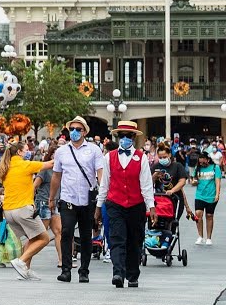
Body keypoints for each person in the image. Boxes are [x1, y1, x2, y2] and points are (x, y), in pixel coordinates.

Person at [96, 121, 155, 288]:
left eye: (128, 136)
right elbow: (104, 184)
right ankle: (118, 273)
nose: (124, 138)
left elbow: (146, 185)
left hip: (136, 205)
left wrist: (152, 207)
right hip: (115, 204)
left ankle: (133, 274)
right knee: (117, 239)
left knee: (134, 241)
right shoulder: (109, 157)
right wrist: (99, 206)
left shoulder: (141, 158)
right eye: (121, 135)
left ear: (134, 138)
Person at [50, 116, 104, 283]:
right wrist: (51, 197)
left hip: (87, 199)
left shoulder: (94, 150)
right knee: (66, 232)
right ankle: (66, 269)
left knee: (86, 235)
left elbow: (100, 173)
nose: (74, 132)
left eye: (78, 129)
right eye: (71, 129)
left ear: (84, 132)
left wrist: (102, 194)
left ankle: (84, 271)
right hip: (68, 198)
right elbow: (56, 176)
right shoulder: (61, 152)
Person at [0, 139, 49, 280]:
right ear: (19, 152)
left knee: (33, 239)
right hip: (24, 209)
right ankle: (20, 261)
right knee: (44, 238)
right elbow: (49, 164)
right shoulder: (25, 165)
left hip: (9, 211)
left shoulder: (5, 167)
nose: (28, 152)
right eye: (26, 150)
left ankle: (25, 270)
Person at [33, 147, 61, 267]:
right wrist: (31, 203)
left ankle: (62, 260)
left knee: (59, 231)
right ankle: (25, 256)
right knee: (42, 234)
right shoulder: (45, 170)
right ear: (51, 156)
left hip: (56, 204)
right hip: (44, 203)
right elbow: (34, 186)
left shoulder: (63, 170)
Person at [191, 150, 219, 245]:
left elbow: (217, 182)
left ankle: (209, 238)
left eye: (203, 162)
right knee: (198, 214)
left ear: (208, 160)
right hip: (200, 195)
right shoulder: (197, 168)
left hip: (211, 195)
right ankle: (200, 236)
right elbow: (193, 180)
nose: (201, 164)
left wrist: (217, 194)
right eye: (200, 162)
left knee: (209, 215)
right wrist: (194, 182)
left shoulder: (215, 167)